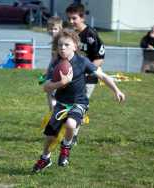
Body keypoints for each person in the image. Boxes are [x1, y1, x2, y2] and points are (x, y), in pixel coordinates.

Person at [32, 30, 125, 173]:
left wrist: (116, 90)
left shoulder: (83, 62)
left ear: (75, 46)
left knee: (71, 124)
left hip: (79, 102)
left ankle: (66, 147)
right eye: (60, 45)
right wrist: (61, 83)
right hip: (62, 103)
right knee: (50, 135)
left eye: (66, 45)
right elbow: (46, 87)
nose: (62, 48)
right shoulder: (56, 64)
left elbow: (103, 76)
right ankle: (45, 158)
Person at [65, 3, 105, 145]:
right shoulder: (70, 34)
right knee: (68, 103)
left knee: (78, 106)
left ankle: (72, 137)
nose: (71, 22)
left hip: (88, 79)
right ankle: (69, 132)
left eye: (74, 18)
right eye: (69, 18)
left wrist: (85, 72)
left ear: (83, 17)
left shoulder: (91, 34)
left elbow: (99, 58)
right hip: (71, 77)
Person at [45, 16, 63, 111]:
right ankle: (53, 114)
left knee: (52, 93)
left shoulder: (61, 41)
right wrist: (47, 71)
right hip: (53, 71)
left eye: (55, 29)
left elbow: (56, 58)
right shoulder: (54, 41)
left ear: (60, 29)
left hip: (59, 72)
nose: (53, 31)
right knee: (49, 92)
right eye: (51, 28)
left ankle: (55, 115)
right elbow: (53, 59)